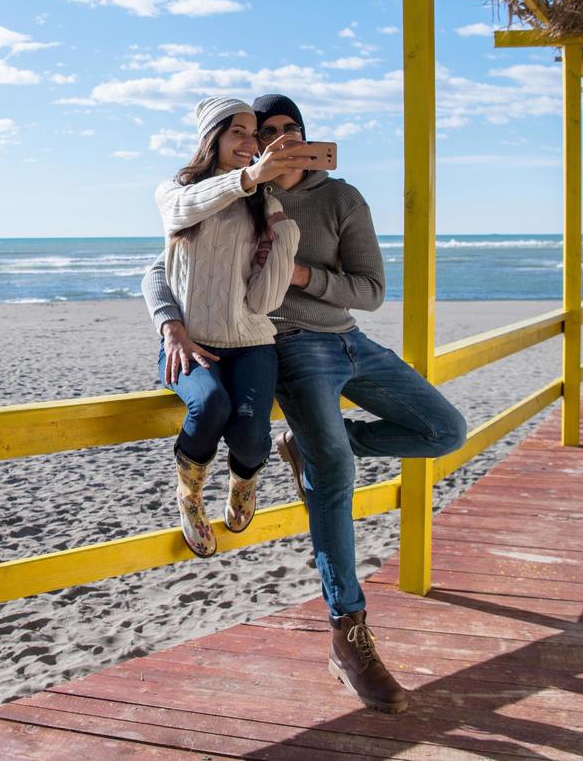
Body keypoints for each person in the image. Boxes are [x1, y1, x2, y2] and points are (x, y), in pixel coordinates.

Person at [142, 93, 468, 714]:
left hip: (348, 337)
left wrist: (300, 275)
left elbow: (370, 291)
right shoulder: (238, 190)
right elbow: (166, 264)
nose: (282, 140)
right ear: (250, 143)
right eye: (267, 133)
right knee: (334, 477)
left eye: (294, 130)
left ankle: (316, 445)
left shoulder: (340, 199)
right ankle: (349, 636)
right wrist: (169, 325)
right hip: (283, 347)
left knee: (444, 429)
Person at [154, 95, 312, 558]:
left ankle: (244, 482)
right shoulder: (173, 189)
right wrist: (171, 326)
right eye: (237, 132)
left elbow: (263, 302)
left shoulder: (264, 205)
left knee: (250, 432)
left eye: (253, 133)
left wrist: (285, 232)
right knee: (209, 405)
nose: (248, 141)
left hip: (251, 342)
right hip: (189, 340)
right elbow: (182, 212)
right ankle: (189, 495)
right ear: (213, 138)